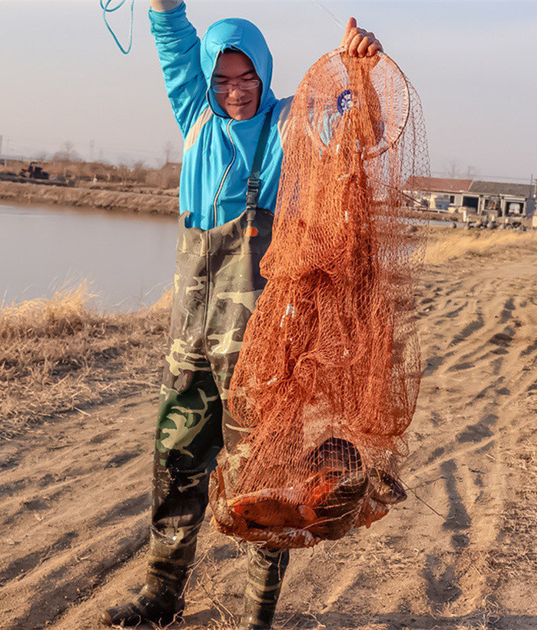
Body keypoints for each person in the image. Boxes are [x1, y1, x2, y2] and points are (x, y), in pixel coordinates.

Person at [101, 2, 382, 628]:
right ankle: (160, 597)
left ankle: (257, 616)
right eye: (222, 79)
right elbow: (170, 32)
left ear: (265, 75)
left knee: (266, 485)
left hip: (264, 349)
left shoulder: (292, 124)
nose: (233, 92)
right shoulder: (196, 118)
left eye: (246, 78)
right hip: (190, 344)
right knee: (173, 465)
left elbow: (358, 131)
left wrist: (361, 73)